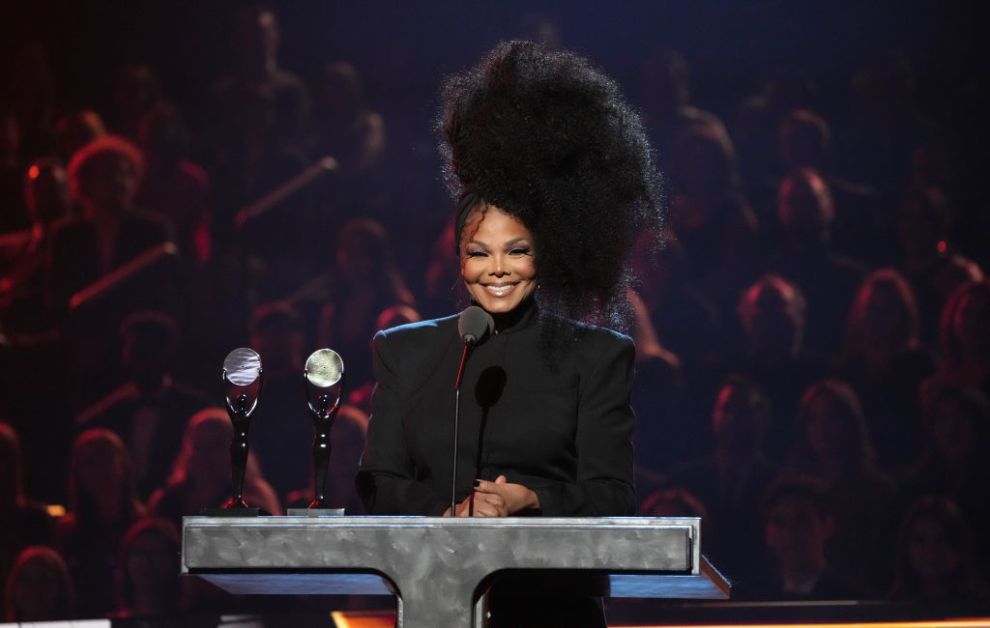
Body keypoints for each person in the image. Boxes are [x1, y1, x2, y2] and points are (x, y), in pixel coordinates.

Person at [356, 40, 663, 628]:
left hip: (554, 610)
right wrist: (452, 507)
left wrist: (530, 499)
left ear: (544, 254)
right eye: (479, 252)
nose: (497, 268)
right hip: (435, 602)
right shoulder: (405, 351)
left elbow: (611, 494)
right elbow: (381, 482)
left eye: (516, 250)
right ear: (459, 258)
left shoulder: (596, 357)